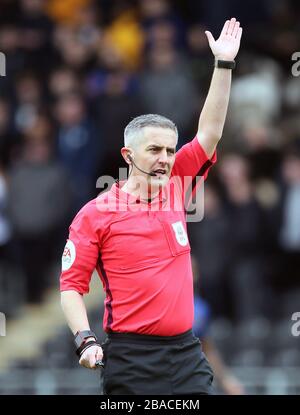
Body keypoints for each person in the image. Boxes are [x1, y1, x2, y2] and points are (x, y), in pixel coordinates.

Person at [60, 18, 243, 395]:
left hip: (187, 354)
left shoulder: (178, 185)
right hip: (131, 359)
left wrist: (223, 65)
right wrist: (85, 340)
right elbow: (71, 286)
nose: (165, 158)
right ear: (128, 154)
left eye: (171, 150)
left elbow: (209, 132)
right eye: (155, 150)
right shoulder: (96, 214)